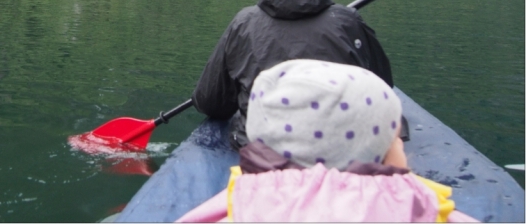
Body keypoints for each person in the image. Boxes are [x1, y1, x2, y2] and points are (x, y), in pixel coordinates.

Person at [178, 60, 476, 222]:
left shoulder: (233, 211)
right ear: (386, 158)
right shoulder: (427, 211)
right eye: (396, 140)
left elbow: (209, 100)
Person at [192, 0, 394, 149]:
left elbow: (210, 103)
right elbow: (383, 87)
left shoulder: (243, 23)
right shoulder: (349, 21)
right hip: (338, 150)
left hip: (263, 152)